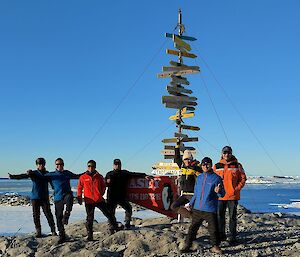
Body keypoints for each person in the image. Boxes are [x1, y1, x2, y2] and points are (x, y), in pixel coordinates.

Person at [28, 158, 82, 243]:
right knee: (58, 217)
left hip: (66, 195)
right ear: (55, 165)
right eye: (57, 164)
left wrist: (87, 172)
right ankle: (62, 236)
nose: (59, 166)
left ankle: (67, 214)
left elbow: (77, 176)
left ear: (63, 165)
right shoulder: (51, 174)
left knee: (70, 197)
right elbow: (40, 177)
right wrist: (30, 174)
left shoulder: (67, 173)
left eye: (61, 164)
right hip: (57, 198)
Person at [181, 157, 225, 254]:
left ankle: (215, 246)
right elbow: (196, 193)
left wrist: (219, 191)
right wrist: (191, 203)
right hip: (197, 208)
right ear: (201, 165)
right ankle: (187, 245)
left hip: (210, 208)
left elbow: (223, 194)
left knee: (213, 229)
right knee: (193, 228)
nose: (205, 166)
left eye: (207, 164)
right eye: (203, 164)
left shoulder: (216, 178)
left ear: (211, 165)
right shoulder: (199, 177)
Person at [8, 158, 56, 238]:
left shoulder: (47, 174)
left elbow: (52, 182)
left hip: (44, 197)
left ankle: (53, 231)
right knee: (36, 215)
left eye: (42, 164)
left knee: (48, 214)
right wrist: (13, 176)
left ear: (44, 164)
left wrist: (54, 187)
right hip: (35, 197)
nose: (41, 165)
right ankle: (38, 232)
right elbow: (23, 176)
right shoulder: (33, 173)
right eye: (39, 164)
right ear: (37, 165)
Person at [77, 160, 122, 241]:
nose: (91, 168)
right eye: (89, 166)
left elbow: (103, 186)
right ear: (87, 167)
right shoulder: (83, 177)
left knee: (109, 214)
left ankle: (115, 227)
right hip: (89, 201)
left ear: (95, 167)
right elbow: (79, 188)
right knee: (90, 218)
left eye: (92, 166)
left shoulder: (99, 176)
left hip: (99, 200)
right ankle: (90, 236)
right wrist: (79, 197)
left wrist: (100, 194)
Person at [213, 146, 247, 245]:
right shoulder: (217, 166)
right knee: (220, 216)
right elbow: (213, 179)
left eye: (228, 152)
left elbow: (243, 179)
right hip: (220, 196)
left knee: (232, 217)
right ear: (222, 153)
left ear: (231, 153)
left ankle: (233, 237)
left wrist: (236, 189)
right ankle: (221, 236)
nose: (226, 154)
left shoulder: (237, 165)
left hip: (232, 196)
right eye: (224, 153)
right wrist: (215, 189)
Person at [105, 158, 149, 229]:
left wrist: (144, 175)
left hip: (121, 196)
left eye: (119, 164)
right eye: (116, 164)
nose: (117, 166)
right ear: (113, 165)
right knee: (111, 212)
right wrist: (107, 182)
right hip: (112, 197)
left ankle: (127, 224)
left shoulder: (124, 173)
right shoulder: (109, 174)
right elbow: (104, 184)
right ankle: (112, 226)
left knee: (128, 209)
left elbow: (134, 174)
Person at [170, 142, 202, 218]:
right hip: (184, 194)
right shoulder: (183, 167)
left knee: (195, 210)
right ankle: (191, 217)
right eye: (185, 159)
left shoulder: (196, 168)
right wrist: (177, 147)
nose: (187, 161)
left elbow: (202, 179)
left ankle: (196, 220)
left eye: (188, 159)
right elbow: (177, 158)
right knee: (174, 206)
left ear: (191, 159)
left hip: (193, 195)